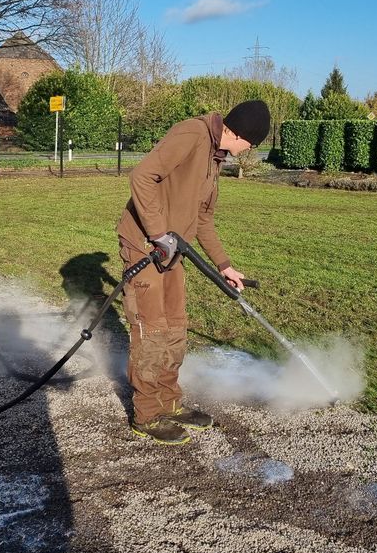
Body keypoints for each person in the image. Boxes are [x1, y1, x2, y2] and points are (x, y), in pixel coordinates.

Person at [116, 99, 271, 445]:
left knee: (175, 325)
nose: (248, 152)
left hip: (174, 252)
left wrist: (225, 265)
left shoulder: (215, 158)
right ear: (240, 134)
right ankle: (147, 414)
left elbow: (203, 218)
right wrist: (158, 233)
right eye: (251, 145)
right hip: (146, 245)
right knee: (152, 327)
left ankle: (169, 403)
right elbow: (141, 176)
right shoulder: (192, 133)